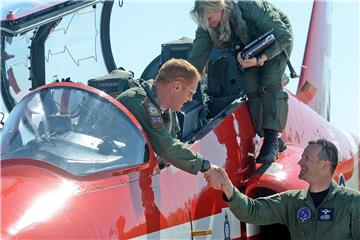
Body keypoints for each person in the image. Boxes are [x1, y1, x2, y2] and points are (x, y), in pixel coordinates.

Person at [188, 0, 293, 163]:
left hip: (276, 43)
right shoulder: (207, 27)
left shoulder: (248, 7)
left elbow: (283, 35)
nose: (208, 23)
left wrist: (260, 59)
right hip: (247, 50)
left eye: (209, 17)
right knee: (251, 88)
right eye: (204, 20)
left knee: (269, 83)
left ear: (219, 7)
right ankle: (268, 135)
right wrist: (186, 83)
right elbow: (195, 60)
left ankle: (272, 139)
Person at [205, 139, 360, 239]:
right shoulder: (291, 201)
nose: (300, 162)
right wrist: (228, 188)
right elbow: (252, 211)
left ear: (325, 166)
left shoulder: (353, 202)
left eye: (307, 158)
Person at [117, 58, 214, 175]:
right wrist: (204, 166)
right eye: (190, 93)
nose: (190, 99)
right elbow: (167, 148)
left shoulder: (169, 110)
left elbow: (172, 144)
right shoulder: (139, 102)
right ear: (177, 86)